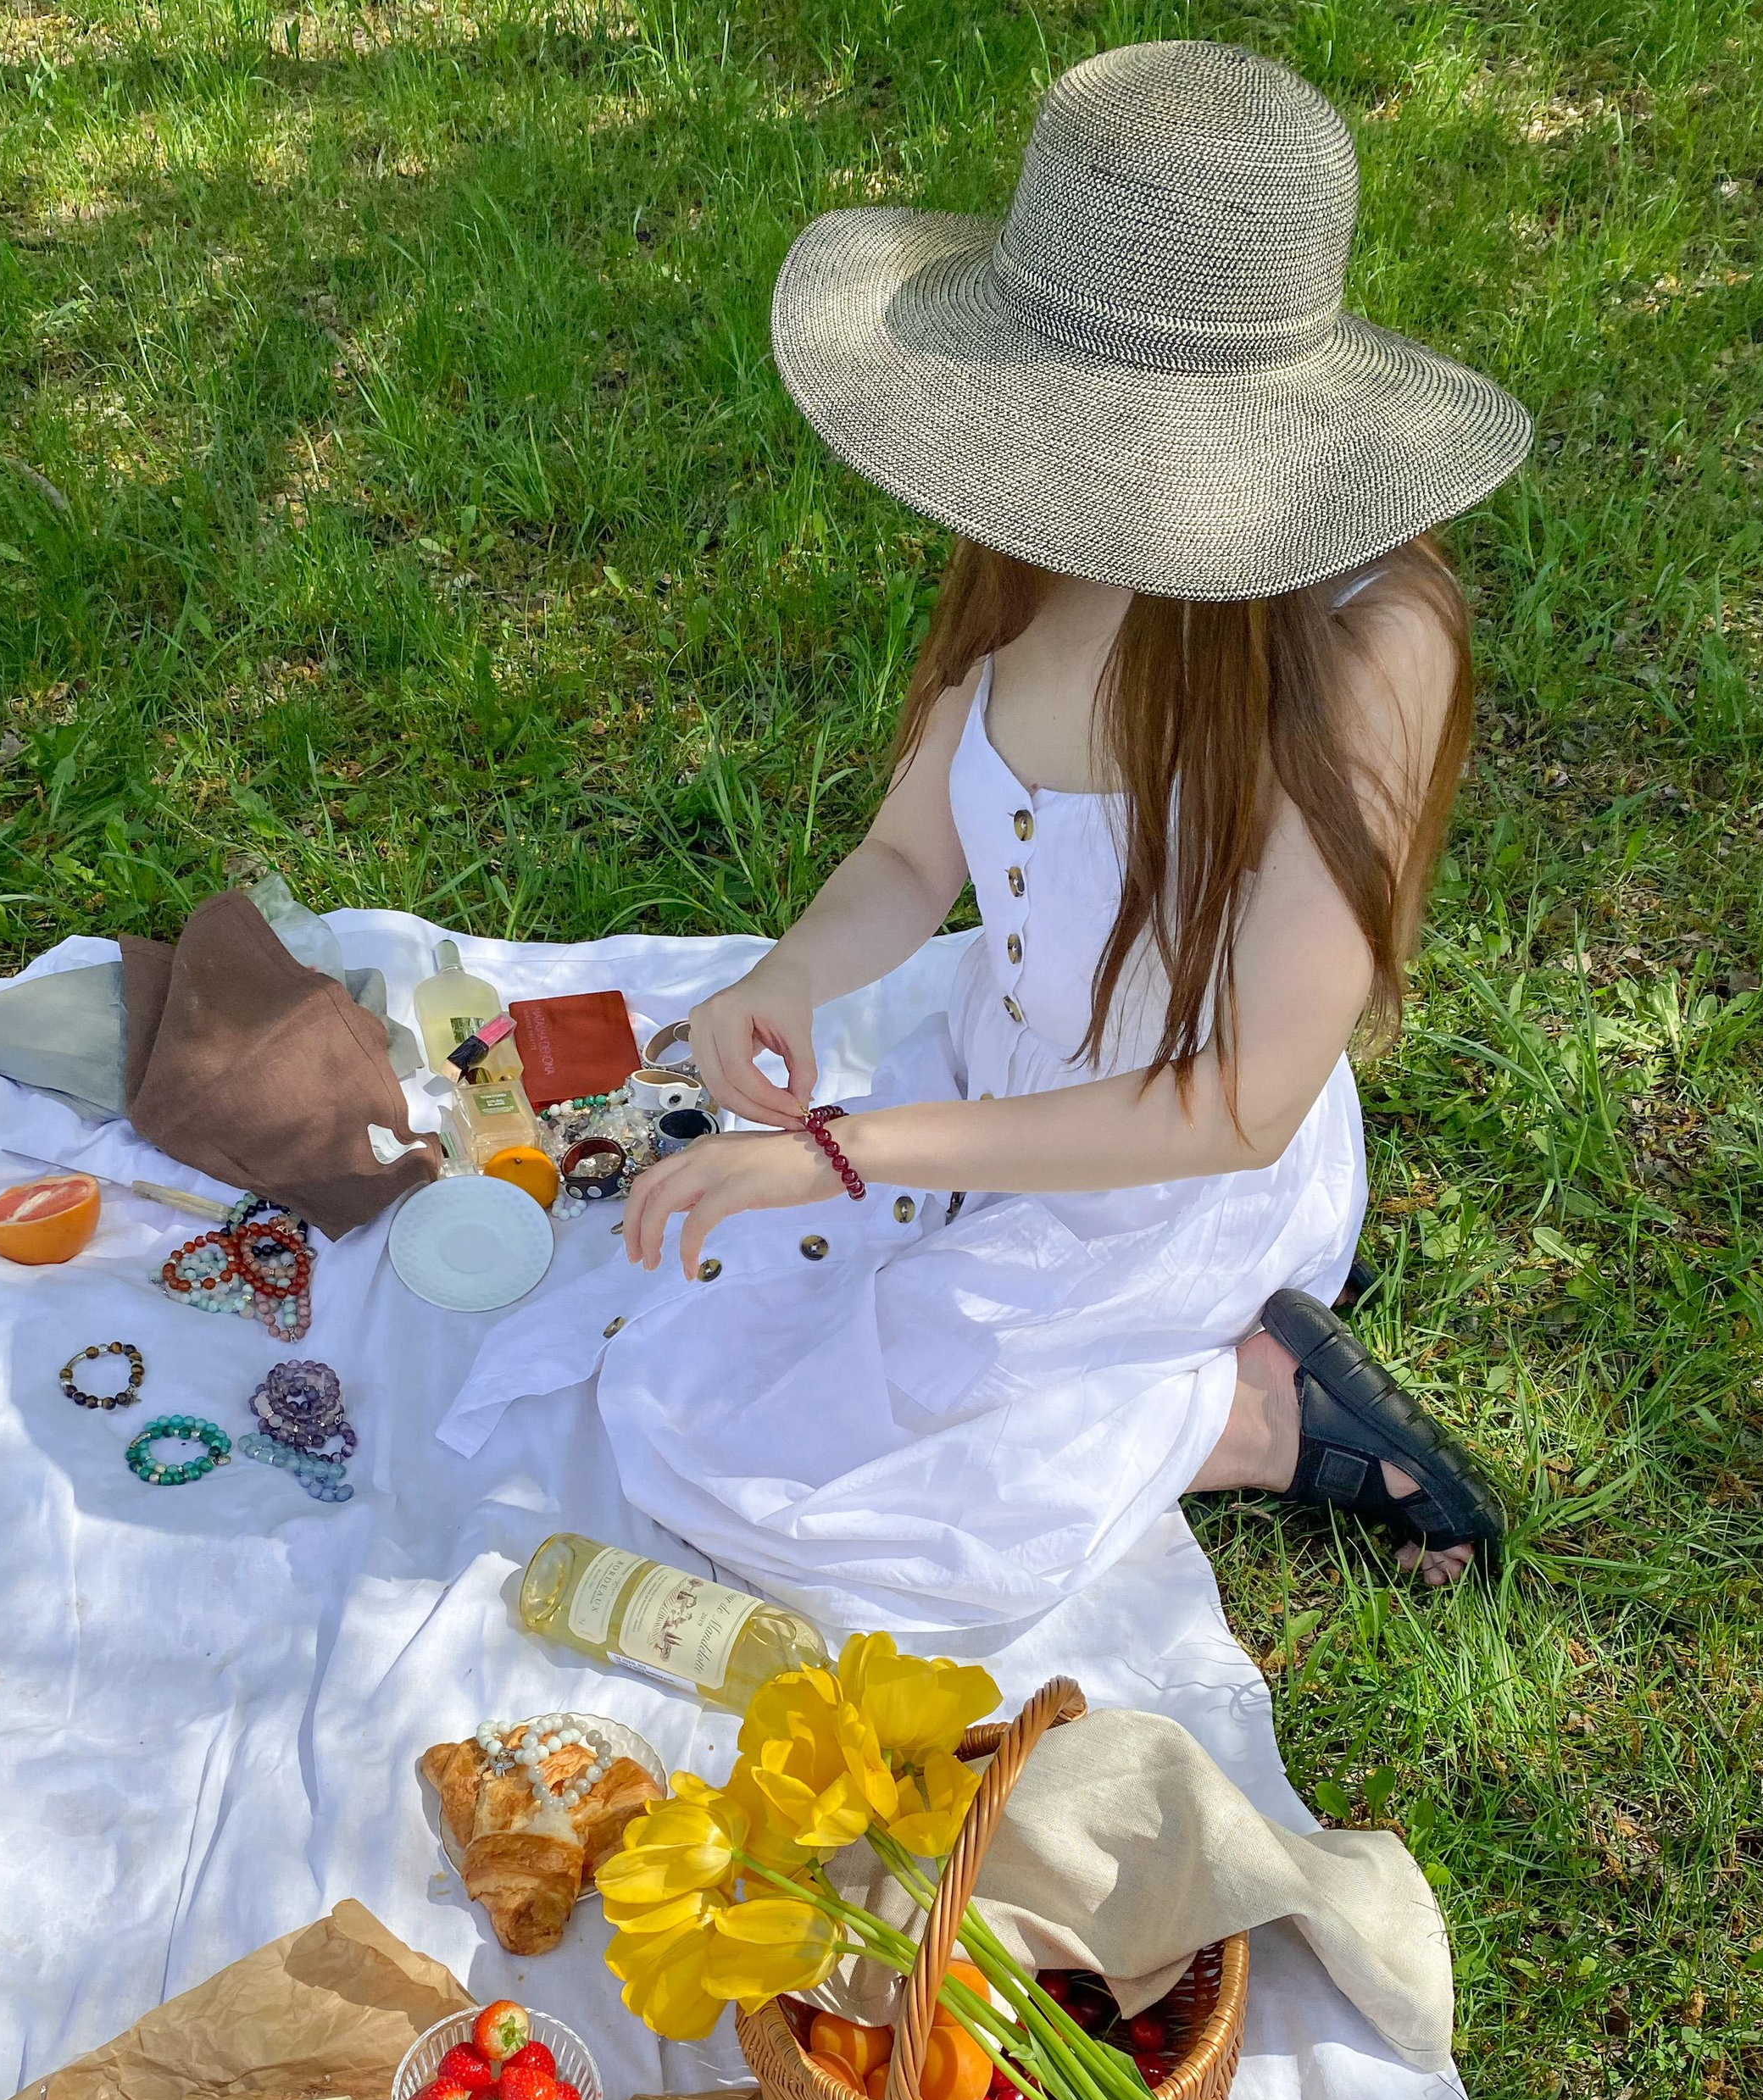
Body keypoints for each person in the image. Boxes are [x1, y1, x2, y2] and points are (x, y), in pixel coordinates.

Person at [443, 41, 1521, 1635]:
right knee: (676, 1351)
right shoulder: (1035, 526)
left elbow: (1234, 1102)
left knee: (797, 1514)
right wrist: (791, 980)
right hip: (993, 1083)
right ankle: (1123, 1350)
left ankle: (1255, 1410)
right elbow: (906, 861)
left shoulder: (1369, 645)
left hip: (1169, 1169)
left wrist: (840, 1150)